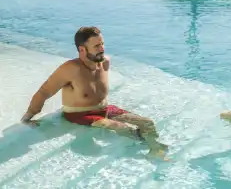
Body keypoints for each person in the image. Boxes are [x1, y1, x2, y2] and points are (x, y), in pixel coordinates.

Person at [21, 26, 168, 158]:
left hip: (105, 109)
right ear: (82, 50)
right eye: (97, 46)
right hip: (79, 114)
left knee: (147, 123)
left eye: (102, 44)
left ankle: (154, 149)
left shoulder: (104, 62)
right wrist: (28, 117)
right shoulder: (70, 69)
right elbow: (45, 91)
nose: (102, 48)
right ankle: (146, 150)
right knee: (121, 127)